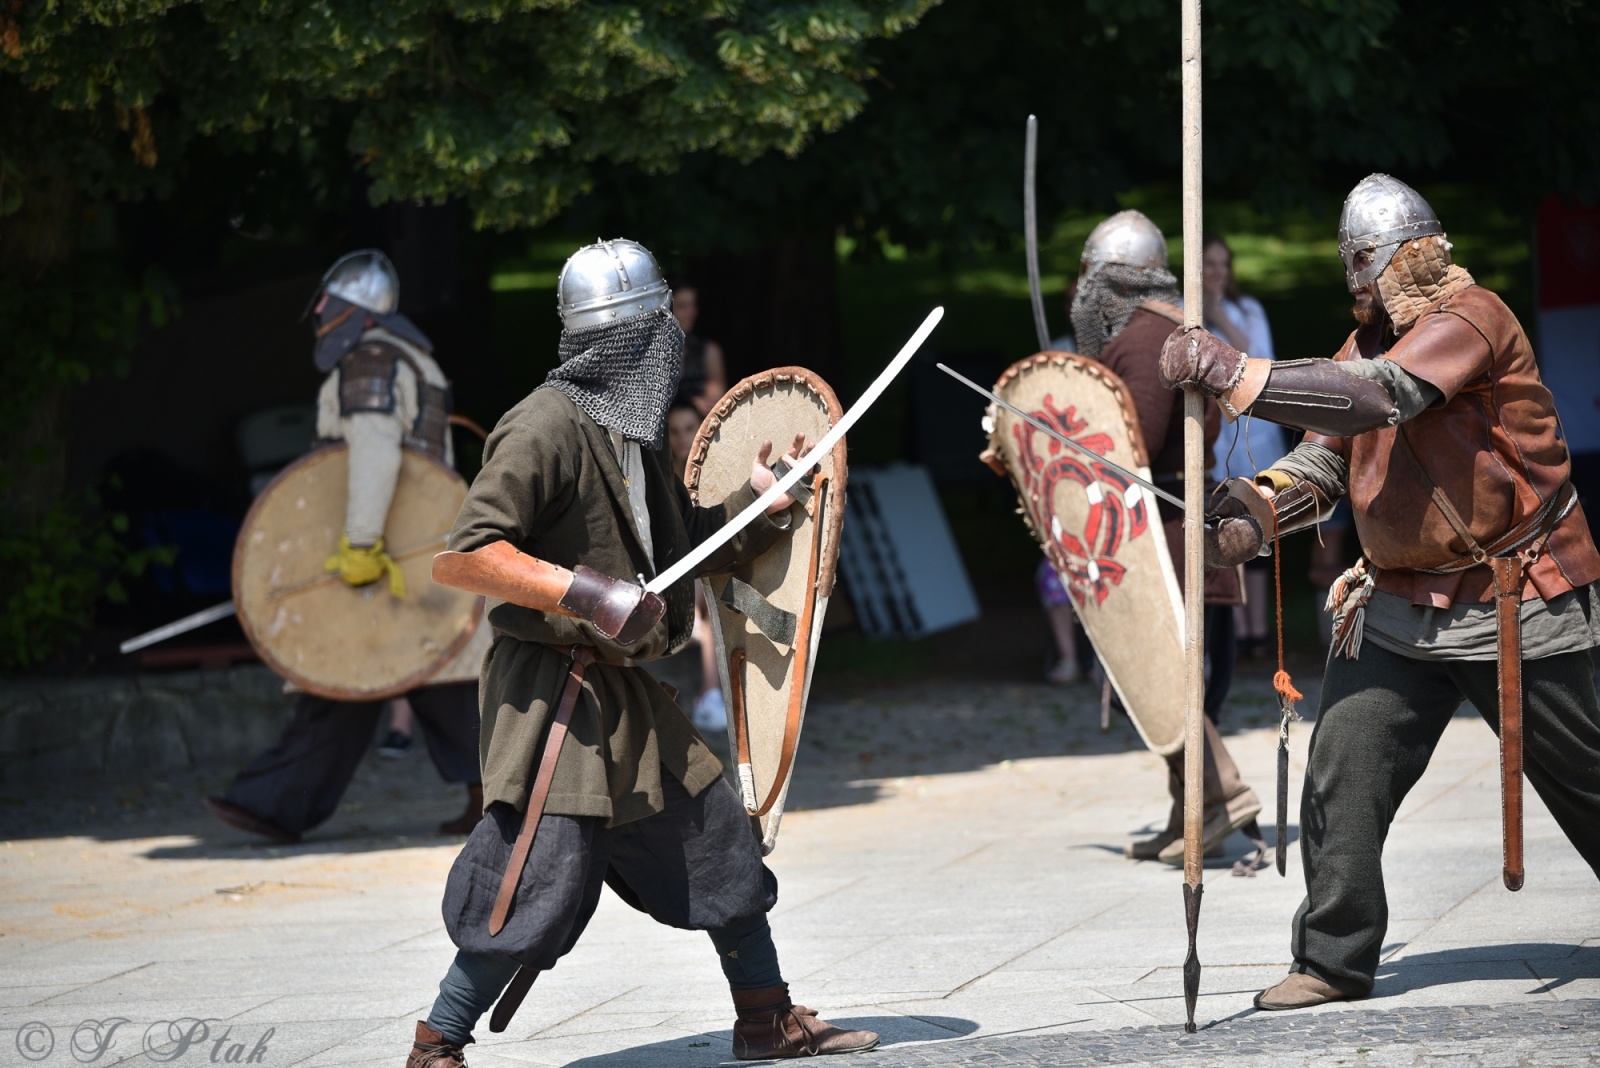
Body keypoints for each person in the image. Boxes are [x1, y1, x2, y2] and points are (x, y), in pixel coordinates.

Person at [406, 239, 877, 1066]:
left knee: (717, 838)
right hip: (555, 698)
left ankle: (766, 1018)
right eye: (661, 326)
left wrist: (759, 509)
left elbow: (677, 549)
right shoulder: (544, 424)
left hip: (623, 698)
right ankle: (437, 1045)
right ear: (634, 336)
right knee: (537, 875)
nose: (674, 341)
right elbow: (472, 552)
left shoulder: (633, 426)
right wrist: (590, 596)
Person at [1160, 173, 1600, 1010]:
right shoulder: (1360, 349)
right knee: (1341, 775)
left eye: (1366, 259)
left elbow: (1380, 402)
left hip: (1516, 595)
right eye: (1348, 262)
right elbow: (1325, 458)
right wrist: (1247, 521)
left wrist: (1231, 370)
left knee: (1587, 777)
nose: (1356, 280)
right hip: (1395, 606)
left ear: (1413, 255)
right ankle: (1332, 958)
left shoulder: (1474, 320)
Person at [202, 250, 484, 844]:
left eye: (327, 303)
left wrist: (360, 544)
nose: (320, 313)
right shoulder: (415, 359)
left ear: (352, 309)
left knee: (393, 677)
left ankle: (501, 797)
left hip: (384, 555)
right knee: (370, 680)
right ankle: (276, 803)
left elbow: (378, 454)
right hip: (414, 552)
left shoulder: (371, 360)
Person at [1066, 210, 1265, 864]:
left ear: (1106, 283)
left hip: (1164, 534)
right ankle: (1190, 814)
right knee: (1169, 679)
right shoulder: (1163, 329)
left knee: (1158, 677)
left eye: (1086, 279)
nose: (1077, 293)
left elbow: (1136, 448)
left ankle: (1222, 794)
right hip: (1177, 527)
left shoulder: (1143, 338)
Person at [1204, 235, 1288, 659]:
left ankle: (1257, 628)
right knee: (1222, 529)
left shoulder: (1248, 310)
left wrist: (1218, 312)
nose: (1217, 271)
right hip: (1215, 438)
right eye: (1208, 263)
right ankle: (1234, 626)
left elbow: (1254, 362)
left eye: (1223, 263)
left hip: (1254, 436)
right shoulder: (1187, 317)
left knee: (1256, 529)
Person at [666, 398, 729, 729]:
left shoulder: (714, 473)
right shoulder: (659, 475)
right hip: (666, 564)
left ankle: (710, 693)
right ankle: (710, 692)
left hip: (702, 563)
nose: (682, 438)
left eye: (690, 429)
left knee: (704, 610)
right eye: (674, 431)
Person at [670, 280, 728, 416]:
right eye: (683, 306)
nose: (691, 312)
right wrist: (691, 402)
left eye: (693, 305)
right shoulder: (652, 353)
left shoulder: (708, 350)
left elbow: (715, 403)